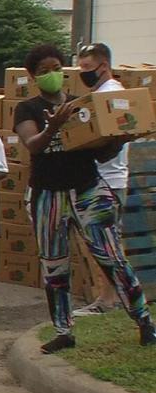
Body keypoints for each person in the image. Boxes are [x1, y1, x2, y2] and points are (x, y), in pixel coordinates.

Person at [12, 43, 155, 352]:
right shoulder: (28, 109)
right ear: (32, 76)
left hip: (88, 190)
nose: (51, 75)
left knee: (112, 258)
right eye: (43, 72)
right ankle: (64, 331)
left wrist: (121, 138)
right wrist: (53, 126)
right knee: (55, 265)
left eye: (55, 68)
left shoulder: (82, 104)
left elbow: (101, 151)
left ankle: (144, 321)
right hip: (47, 195)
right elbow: (33, 145)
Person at [73, 43, 130, 317]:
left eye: (86, 68)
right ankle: (111, 297)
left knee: (105, 242)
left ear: (103, 66)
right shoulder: (104, 94)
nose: (83, 73)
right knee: (105, 241)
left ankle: (109, 300)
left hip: (109, 178)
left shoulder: (109, 96)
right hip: (106, 177)